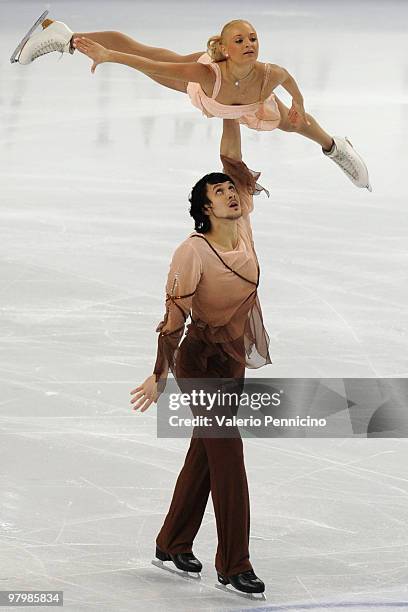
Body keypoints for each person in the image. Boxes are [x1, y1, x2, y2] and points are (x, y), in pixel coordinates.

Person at [129, 117, 271, 595]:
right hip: (198, 360)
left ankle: (171, 541)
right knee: (228, 452)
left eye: (232, 189)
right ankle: (235, 563)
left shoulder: (243, 222)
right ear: (203, 208)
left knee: (207, 452)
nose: (231, 192)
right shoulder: (193, 251)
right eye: (219, 191)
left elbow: (231, 156)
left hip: (232, 355)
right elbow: (173, 319)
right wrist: (159, 374)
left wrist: (230, 106)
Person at [11, 14, 371, 191]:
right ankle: (66, 36)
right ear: (226, 49)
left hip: (248, 103)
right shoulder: (205, 75)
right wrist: (108, 56)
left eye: (254, 38)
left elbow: (291, 82)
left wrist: (299, 102)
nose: (250, 43)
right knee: (143, 51)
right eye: (240, 39)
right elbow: (150, 63)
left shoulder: (269, 75)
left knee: (296, 124)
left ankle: (339, 148)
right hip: (214, 95)